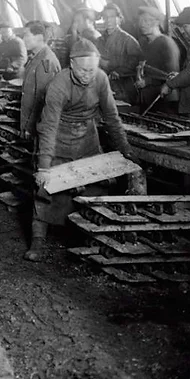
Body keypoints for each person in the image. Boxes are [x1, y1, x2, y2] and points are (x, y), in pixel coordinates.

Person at [27, 39, 131, 261]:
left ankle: (90, 233)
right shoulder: (58, 84)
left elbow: (112, 117)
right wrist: (44, 166)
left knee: (96, 186)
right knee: (47, 189)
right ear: (72, 64)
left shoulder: (101, 79)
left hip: (87, 137)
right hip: (58, 137)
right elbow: (49, 126)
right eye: (83, 70)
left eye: (92, 70)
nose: (88, 75)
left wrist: (126, 150)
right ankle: (38, 240)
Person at [19, 21, 61, 141]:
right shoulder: (36, 57)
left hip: (40, 126)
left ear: (39, 37)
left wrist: (30, 126)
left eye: (26, 35)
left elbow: (42, 99)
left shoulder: (46, 61)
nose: (23, 39)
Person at [136, 6, 181, 114]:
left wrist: (148, 81)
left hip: (165, 99)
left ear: (157, 22)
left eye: (146, 20)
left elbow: (173, 75)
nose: (142, 24)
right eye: (140, 21)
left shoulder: (166, 43)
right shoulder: (143, 43)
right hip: (148, 99)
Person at [99, 3, 144, 105]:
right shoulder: (99, 41)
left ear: (120, 19)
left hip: (124, 89)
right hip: (104, 87)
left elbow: (136, 62)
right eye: (105, 17)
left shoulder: (128, 40)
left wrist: (117, 70)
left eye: (112, 17)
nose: (108, 20)